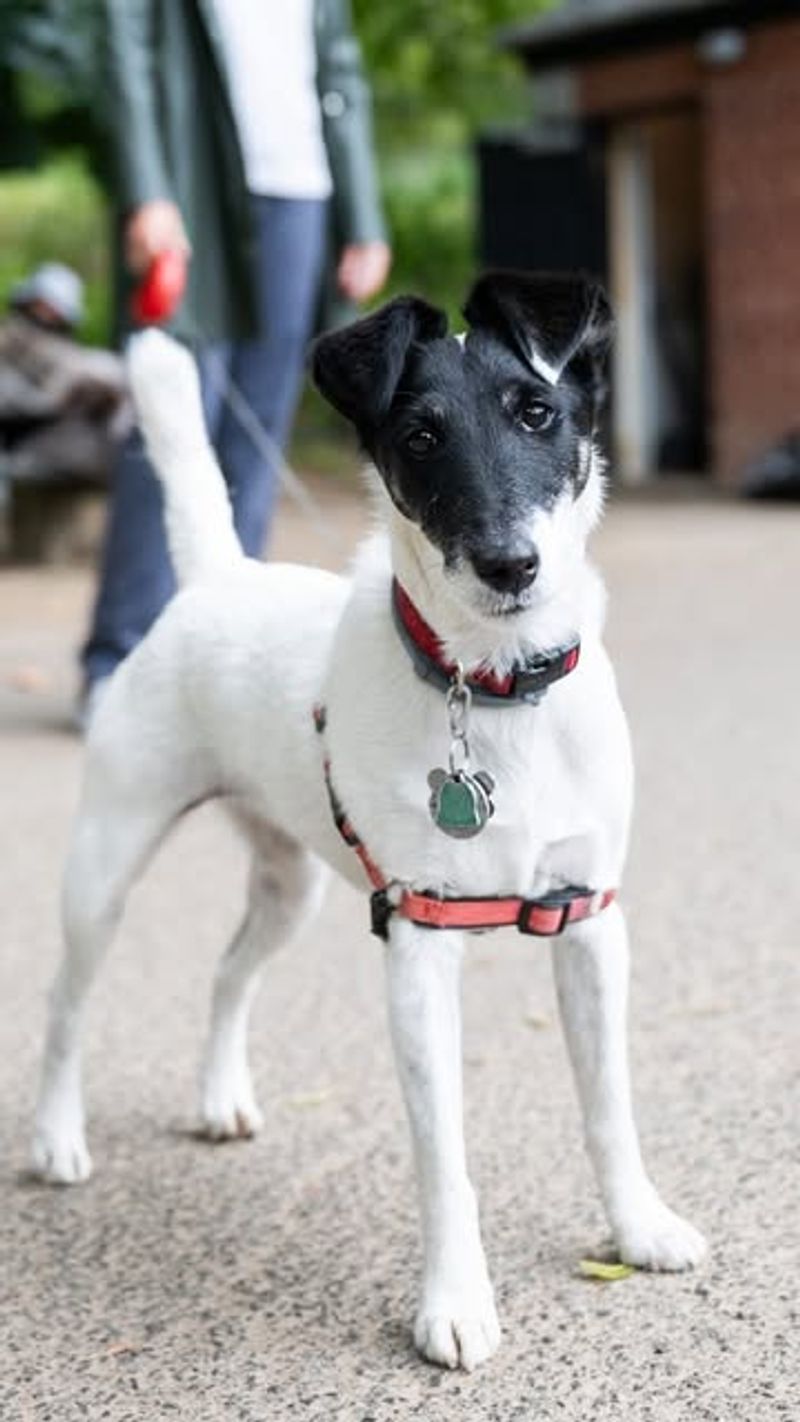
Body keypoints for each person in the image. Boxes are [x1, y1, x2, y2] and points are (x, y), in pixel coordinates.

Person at [81, 0, 390, 716]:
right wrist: (147, 192)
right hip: (193, 190)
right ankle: (119, 661)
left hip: (299, 195)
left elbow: (338, 66)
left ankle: (223, 657)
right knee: (171, 422)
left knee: (259, 435)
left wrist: (362, 216)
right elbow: (125, 57)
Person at [0, 262, 130, 498]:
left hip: (73, 470)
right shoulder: (10, 343)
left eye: (54, 311)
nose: (45, 315)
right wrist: (54, 399)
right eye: (39, 306)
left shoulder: (70, 357)